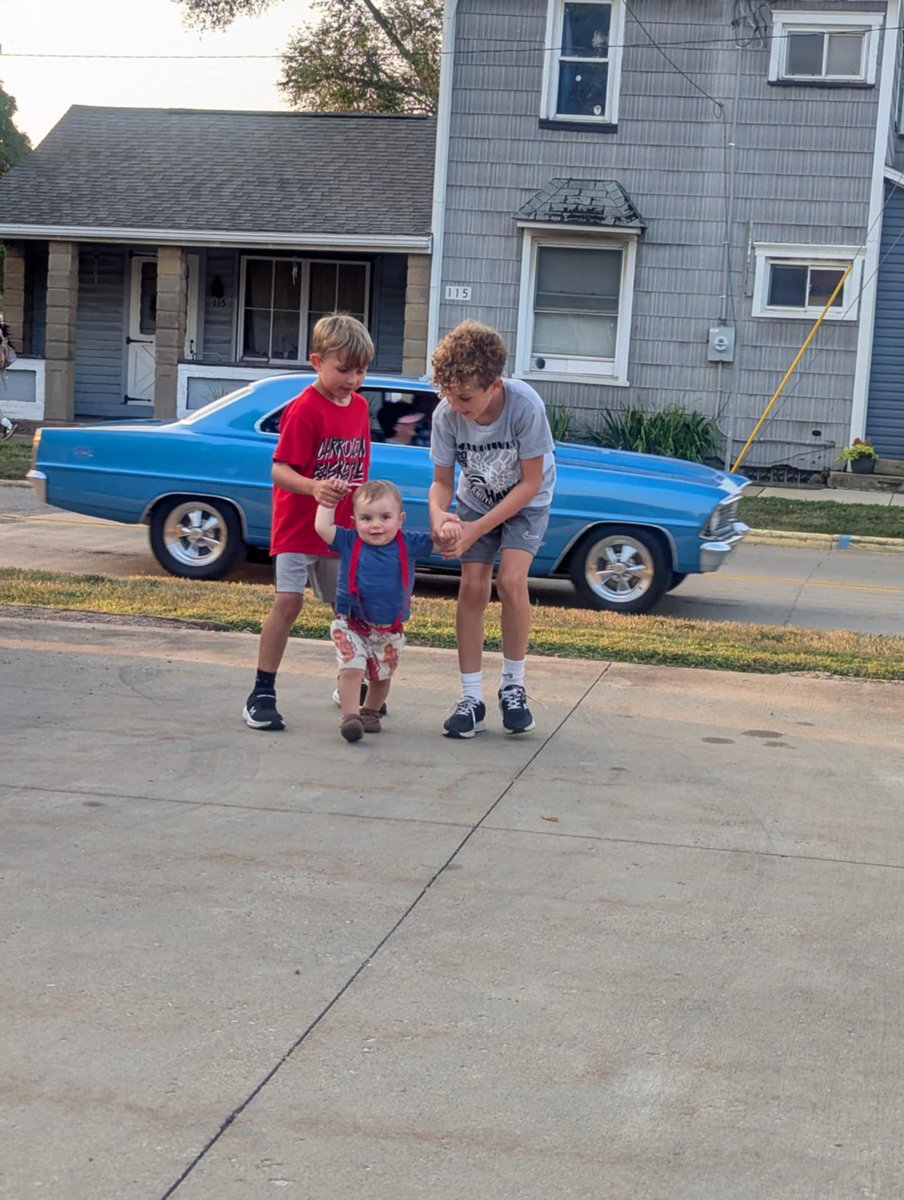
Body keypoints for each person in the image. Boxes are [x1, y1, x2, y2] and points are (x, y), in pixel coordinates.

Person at [242, 313, 374, 732]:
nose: (353, 380)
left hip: (340, 530)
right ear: (317, 362)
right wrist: (314, 487)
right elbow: (279, 470)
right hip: (298, 527)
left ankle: (348, 685)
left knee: (349, 609)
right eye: (344, 369)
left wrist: (363, 517)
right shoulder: (304, 409)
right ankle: (262, 693)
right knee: (289, 602)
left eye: (361, 371)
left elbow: (359, 469)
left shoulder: (360, 408)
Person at [428, 321, 556, 739]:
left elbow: (531, 483)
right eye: (448, 395)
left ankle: (513, 687)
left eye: (465, 397)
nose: (456, 406)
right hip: (476, 499)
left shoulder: (524, 407)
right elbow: (442, 481)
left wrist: (474, 530)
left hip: (526, 502)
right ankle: (471, 697)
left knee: (512, 581)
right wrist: (439, 516)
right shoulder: (447, 415)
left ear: (494, 385)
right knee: (472, 588)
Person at [315, 480, 437, 742]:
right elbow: (322, 527)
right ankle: (351, 717)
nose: (376, 525)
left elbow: (439, 542)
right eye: (366, 518)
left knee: (382, 674)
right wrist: (328, 501)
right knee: (352, 668)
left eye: (385, 517)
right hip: (351, 622)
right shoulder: (349, 541)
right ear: (354, 521)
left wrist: (448, 528)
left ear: (401, 519)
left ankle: (370, 711)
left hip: (389, 627)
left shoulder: (408, 543)